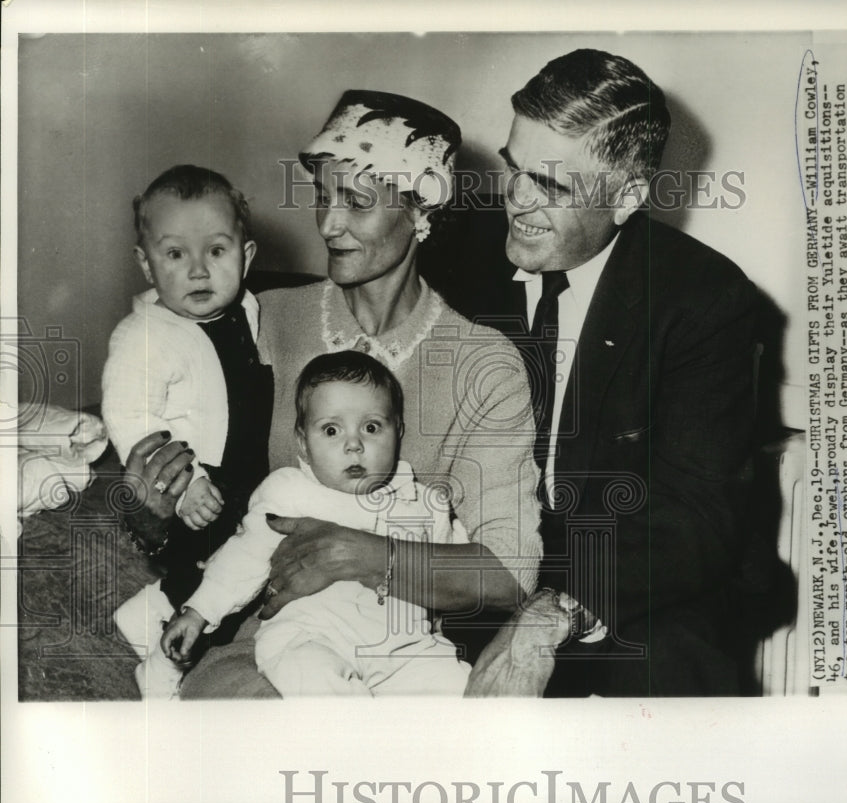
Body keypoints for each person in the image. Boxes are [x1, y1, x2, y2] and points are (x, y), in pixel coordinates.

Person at [118, 91, 541, 699]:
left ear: (421, 214)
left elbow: (509, 573)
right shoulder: (262, 321)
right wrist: (151, 515)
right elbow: (227, 520)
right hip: (268, 643)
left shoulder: (485, 365)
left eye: (357, 203)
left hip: (404, 649)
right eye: (323, 196)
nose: (326, 224)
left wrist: (365, 555)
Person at [443, 49, 759, 696]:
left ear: (629, 197)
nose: (519, 203)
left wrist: (554, 612)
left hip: (624, 586)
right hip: (478, 567)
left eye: (553, 186)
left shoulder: (701, 299)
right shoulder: (457, 267)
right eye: (514, 170)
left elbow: (695, 519)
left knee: (674, 670)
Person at [161, 351, 472, 696]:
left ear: (397, 430)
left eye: (371, 427)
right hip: (309, 635)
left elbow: (455, 573)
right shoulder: (290, 491)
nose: (353, 445)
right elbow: (243, 557)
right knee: (309, 677)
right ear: (303, 443)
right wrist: (198, 611)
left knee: (454, 683)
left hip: (403, 645)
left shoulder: (426, 504)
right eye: (331, 430)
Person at [102, 164, 271, 697]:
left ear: (246, 256)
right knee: (220, 571)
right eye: (175, 254)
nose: (198, 271)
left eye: (216, 251)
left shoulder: (247, 309)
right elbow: (133, 417)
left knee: (244, 566)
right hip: (194, 486)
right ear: (146, 265)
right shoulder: (143, 336)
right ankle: (165, 668)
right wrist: (187, 484)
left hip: (247, 468)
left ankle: (146, 610)